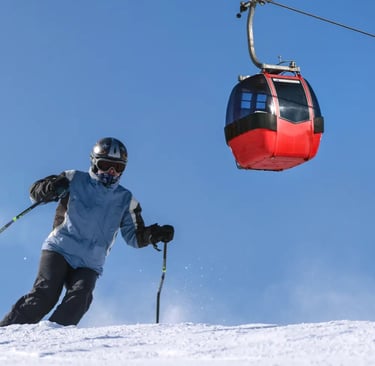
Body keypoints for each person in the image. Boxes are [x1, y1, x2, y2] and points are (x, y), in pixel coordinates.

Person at [0, 137, 174, 327]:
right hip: (60, 249)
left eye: (118, 167)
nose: (111, 172)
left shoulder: (126, 200)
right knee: (45, 295)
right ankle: (7, 332)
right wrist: (51, 188)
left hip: (90, 262)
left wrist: (154, 234)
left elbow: (135, 237)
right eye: (105, 164)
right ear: (94, 162)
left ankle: (52, 338)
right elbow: (35, 192)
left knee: (80, 299)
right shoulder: (74, 178)